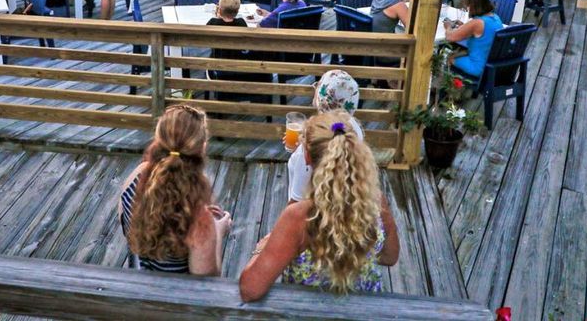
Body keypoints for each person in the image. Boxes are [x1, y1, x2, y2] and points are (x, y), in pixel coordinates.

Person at [239, 110, 400, 300]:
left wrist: (261, 248)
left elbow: (250, 289)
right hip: (367, 309)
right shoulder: (375, 200)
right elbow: (390, 257)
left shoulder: (299, 217)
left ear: (307, 157)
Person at [119, 105, 232, 275]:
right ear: (202, 148)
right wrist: (216, 231)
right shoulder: (198, 216)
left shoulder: (134, 179)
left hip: (135, 286)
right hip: (172, 299)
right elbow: (206, 279)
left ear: (159, 141)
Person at [287, 70, 364, 203]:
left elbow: (295, 203)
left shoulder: (307, 149)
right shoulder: (354, 129)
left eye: (317, 87)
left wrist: (300, 149)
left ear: (321, 98)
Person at [443, 0, 503, 79]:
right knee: (456, 53)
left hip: (478, 67)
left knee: (449, 57)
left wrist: (448, 26)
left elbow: (450, 37)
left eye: (468, 7)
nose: (467, 10)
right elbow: (482, 33)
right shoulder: (496, 18)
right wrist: (464, 27)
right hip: (491, 64)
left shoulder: (477, 23)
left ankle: (448, 88)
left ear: (473, 7)